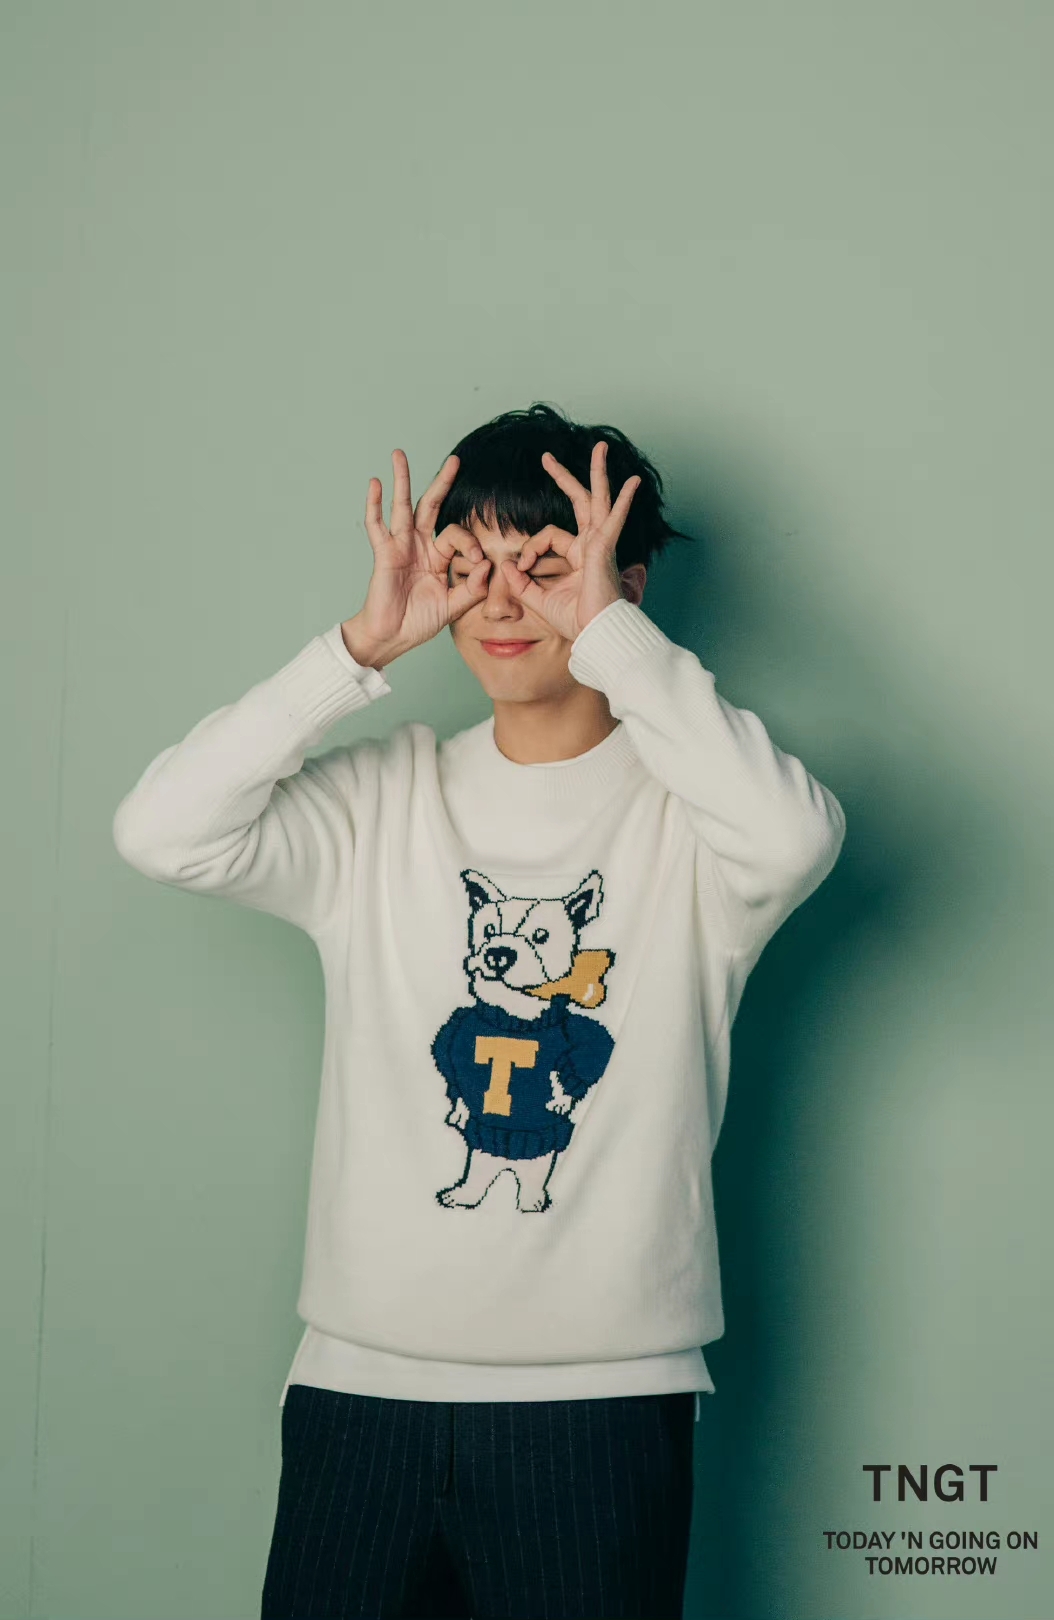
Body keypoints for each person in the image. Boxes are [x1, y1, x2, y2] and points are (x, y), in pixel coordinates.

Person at [112, 402, 846, 1619]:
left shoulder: (697, 821)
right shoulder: (380, 800)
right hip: (358, 1393)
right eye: (469, 568)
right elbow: (161, 831)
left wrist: (613, 640)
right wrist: (356, 650)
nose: (502, 603)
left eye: (545, 567)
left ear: (624, 586)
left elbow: (797, 835)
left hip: (599, 1404)